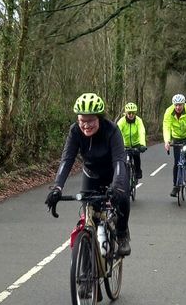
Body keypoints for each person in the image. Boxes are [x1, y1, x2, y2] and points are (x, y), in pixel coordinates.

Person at [45, 93, 131, 255]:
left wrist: (117, 187)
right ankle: (88, 257)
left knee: (123, 198)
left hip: (113, 173)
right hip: (91, 175)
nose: (86, 125)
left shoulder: (111, 130)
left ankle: (122, 234)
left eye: (90, 120)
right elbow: (67, 160)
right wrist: (57, 187)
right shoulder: (75, 131)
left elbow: (119, 161)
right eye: (82, 120)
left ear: (99, 118)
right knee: (88, 217)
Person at [162, 92, 186, 196]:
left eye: (180, 105)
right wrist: (167, 141)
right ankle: (175, 186)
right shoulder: (168, 112)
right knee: (176, 162)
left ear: (184, 104)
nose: (178, 107)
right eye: (176, 105)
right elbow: (166, 127)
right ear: (173, 105)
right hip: (176, 137)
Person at [117, 102, 147, 182]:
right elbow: (117, 132)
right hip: (125, 144)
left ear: (135, 113)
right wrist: (117, 145)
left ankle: (138, 171)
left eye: (133, 113)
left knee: (136, 157)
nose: (131, 115)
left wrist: (142, 144)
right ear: (126, 113)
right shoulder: (121, 121)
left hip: (136, 143)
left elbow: (141, 132)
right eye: (129, 113)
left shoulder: (138, 121)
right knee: (123, 160)